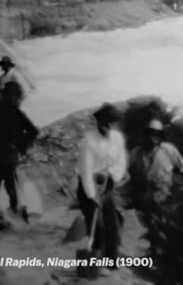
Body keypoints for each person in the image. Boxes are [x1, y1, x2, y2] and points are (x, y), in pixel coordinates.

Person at [77, 103, 127, 275]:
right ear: (97, 123)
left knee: (113, 224)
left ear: (114, 124)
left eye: (110, 124)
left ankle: (111, 261)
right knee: (98, 227)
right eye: (102, 123)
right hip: (88, 187)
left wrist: (111, 174)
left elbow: (121, 162)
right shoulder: (88, 142)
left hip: (107, 186)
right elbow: (85, 172)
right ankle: (97, 264)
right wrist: (92, 196)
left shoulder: (117, 138)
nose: (106, 127)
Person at [0, 81, 39, 215]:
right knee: (9, 186)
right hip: (7, 154)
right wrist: (21, 145)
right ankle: (12, 212)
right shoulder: (15, 114)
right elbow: (33, 132)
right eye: (15, 97)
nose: (16, 100)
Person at [129, 118, 183, 208]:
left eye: (157, 134)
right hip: (142, 197)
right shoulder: (136, 153)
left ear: (161, 137)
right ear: (146, 135)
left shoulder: (169, 149)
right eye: (151, 133)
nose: (153, 137)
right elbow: (126, 172)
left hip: (164, 196)